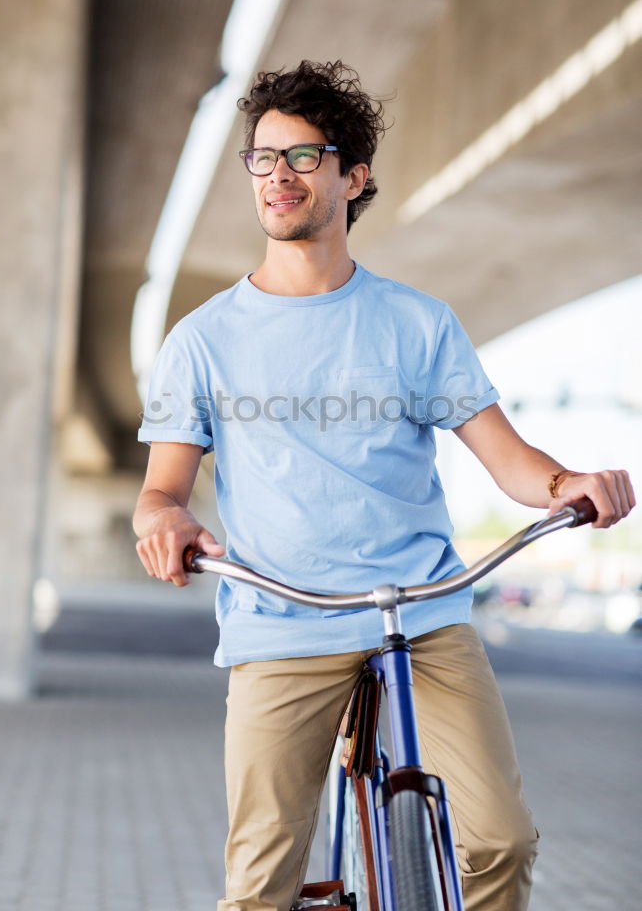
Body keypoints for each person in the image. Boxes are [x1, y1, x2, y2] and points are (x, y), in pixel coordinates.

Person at [133, 60, 634, 911]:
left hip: (420, 612)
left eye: (302, 157)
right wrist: (165, 524)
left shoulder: (417, 323)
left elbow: (510, 461)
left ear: (351, 175)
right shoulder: (202, 341)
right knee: (259, 884)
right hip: (282, 620)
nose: (278, 177)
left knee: (499, 841)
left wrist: (567, 482)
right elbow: (161, 491)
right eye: (263, 158)